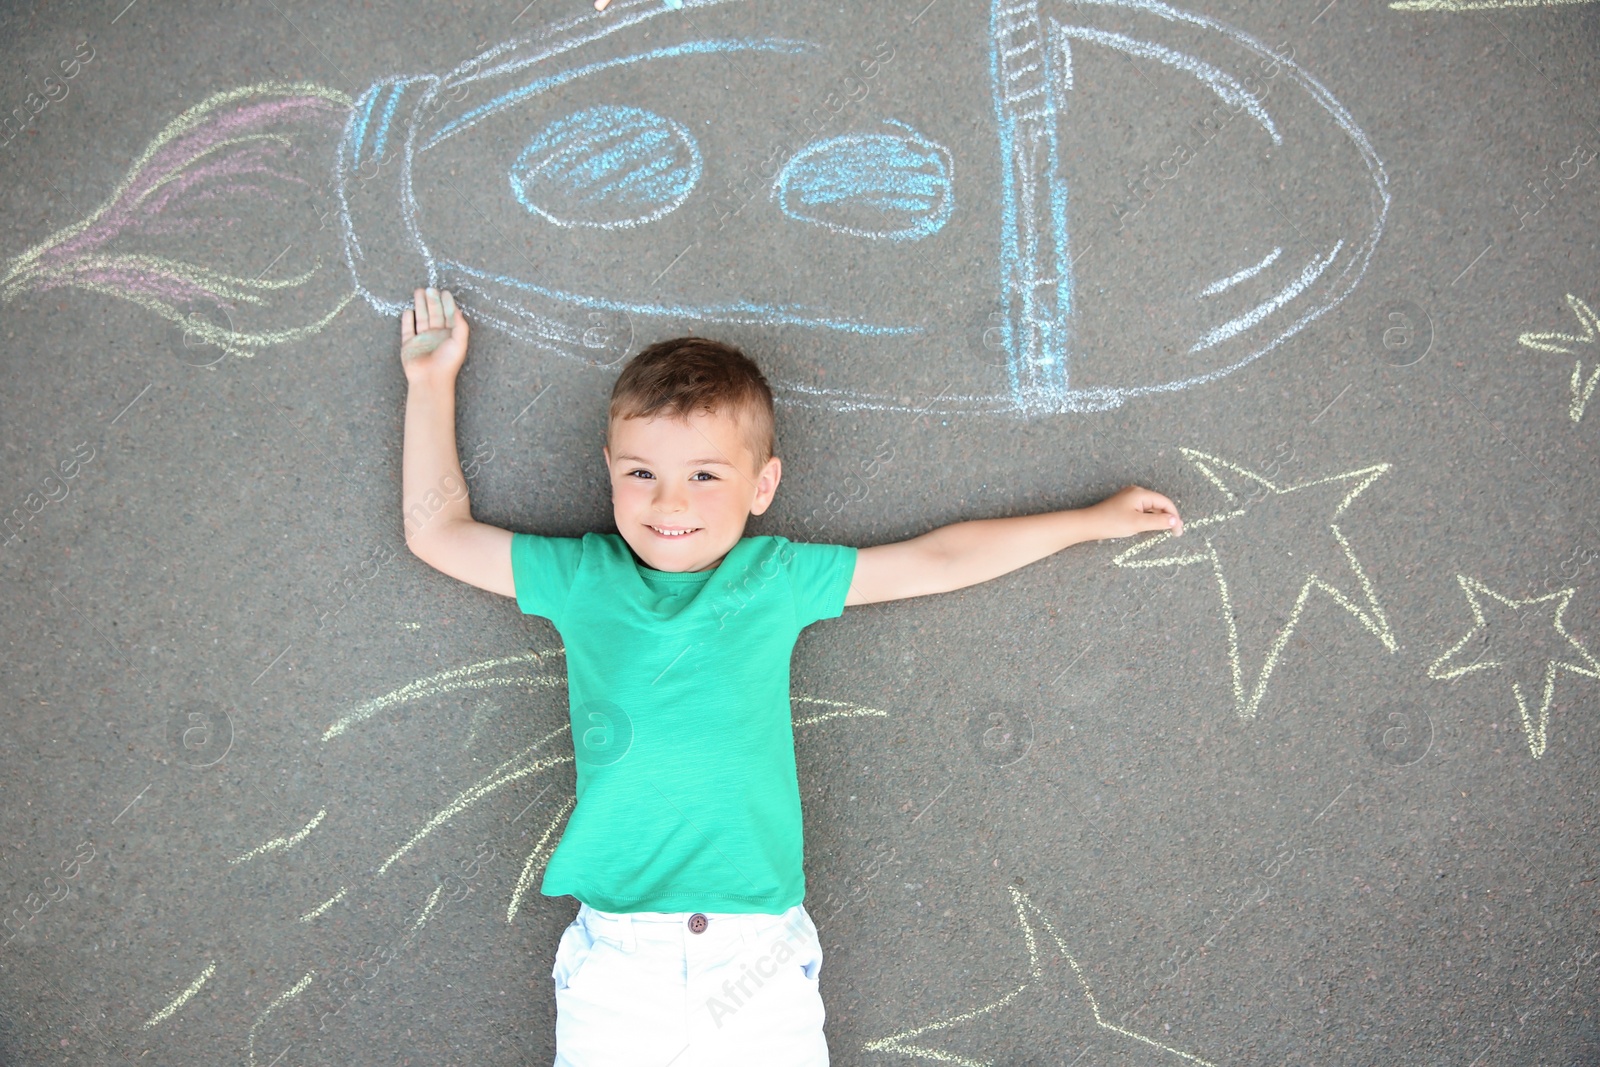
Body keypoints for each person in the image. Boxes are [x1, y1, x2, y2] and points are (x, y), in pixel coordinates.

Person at [397, 287, 1183, 1066]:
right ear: (608, 469)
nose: (668, 500)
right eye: (641, 472)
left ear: (762, 485)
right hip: (620, 966)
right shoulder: (580, 576)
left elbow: (936, 559)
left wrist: (1090, 519)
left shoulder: (775, 577)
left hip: (756, 962)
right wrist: (431, 383)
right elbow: (438, 530)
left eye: (704, 476)